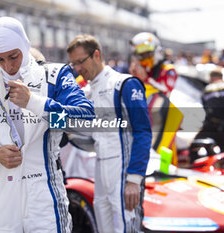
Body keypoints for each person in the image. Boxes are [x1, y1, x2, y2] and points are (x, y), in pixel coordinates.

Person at [0, 17, 94, 233]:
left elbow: (85, 120)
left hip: (45, 193)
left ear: (25, 45)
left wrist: (35, 103)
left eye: (13, 56)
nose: (9, 65)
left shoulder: (54, 75)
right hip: (3, 195)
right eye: (0, 59)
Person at [67, 34, 151, 233]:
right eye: (73, 64)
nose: (78, 68)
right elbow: (87, 135)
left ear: (96, 55)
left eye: (80, 61)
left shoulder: (124, 84)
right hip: (101, 170)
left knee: (127, 228)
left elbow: (143, 132)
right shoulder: (86, 91)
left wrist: (134, 179)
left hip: (124, 174)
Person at [129, 62, 183, 165]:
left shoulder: (167, 69)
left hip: (161, 117)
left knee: (163, 158)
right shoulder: (135, 88)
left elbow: (166, 90)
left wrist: (145, 78)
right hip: (145, 122)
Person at [190, 68, 224, 161]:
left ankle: (198, 167)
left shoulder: (206, 90)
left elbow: (206, 110)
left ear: (211, 78)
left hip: (210, 125)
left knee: (194, 147)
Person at [129, 32, 177, 96]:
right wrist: (133, 77)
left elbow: (166, 92)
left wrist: (146, 79)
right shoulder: (140, 68)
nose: (145, 57)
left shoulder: (168, 69)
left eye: (147, 53)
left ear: (157, 50)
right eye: (141, 54)